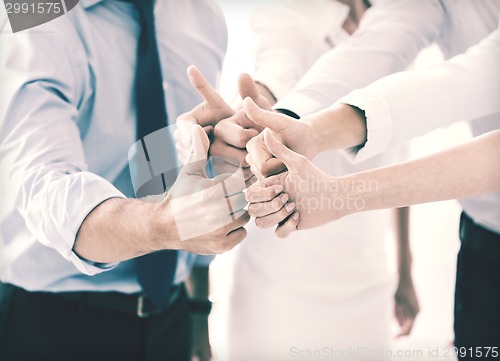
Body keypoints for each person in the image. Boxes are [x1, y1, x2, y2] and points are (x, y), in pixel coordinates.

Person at [0, 1, 249, 361]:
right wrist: (165, 224)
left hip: (171, 318)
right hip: (50, 324)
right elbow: (45, 188)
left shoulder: (202, 14)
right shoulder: (33, 13)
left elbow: (177, 170)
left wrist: (197, 311)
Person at [244, 23, 500, 360]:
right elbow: (464, 77)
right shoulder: (410, 12)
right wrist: (305, 128)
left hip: (366, 266)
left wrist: (341, 194)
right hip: (485, 250)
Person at [180, 1, 419, 359]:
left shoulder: (403, 27)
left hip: (367, 281)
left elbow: (399, 160)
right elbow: (276, 71)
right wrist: (255, 113)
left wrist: (404, 269)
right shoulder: (289, 15)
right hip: (278, 287)